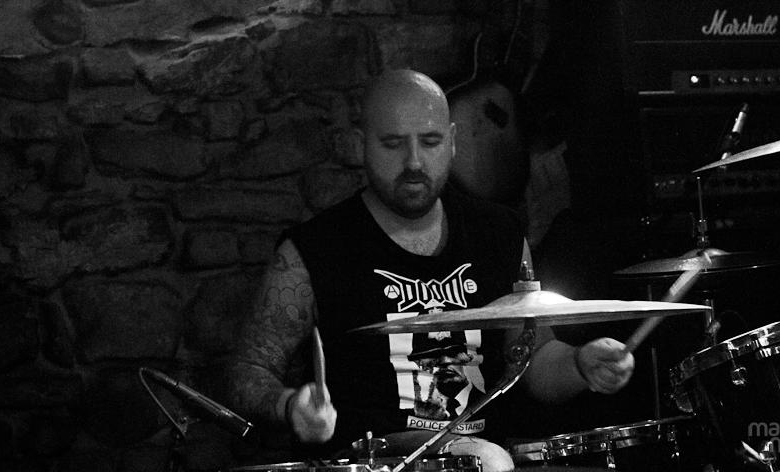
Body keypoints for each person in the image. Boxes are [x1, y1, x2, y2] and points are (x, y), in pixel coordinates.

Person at [227, 69, 635, 470]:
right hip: (375, 459)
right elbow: (249, 371)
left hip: (489, 454)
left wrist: (581, 363)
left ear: (453, 141)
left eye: (431, 141)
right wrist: (290, 405)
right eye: (392, 144)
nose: (414, 162)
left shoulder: (500, 234)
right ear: (360, 145)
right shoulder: (314, 249)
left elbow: (532, 360)